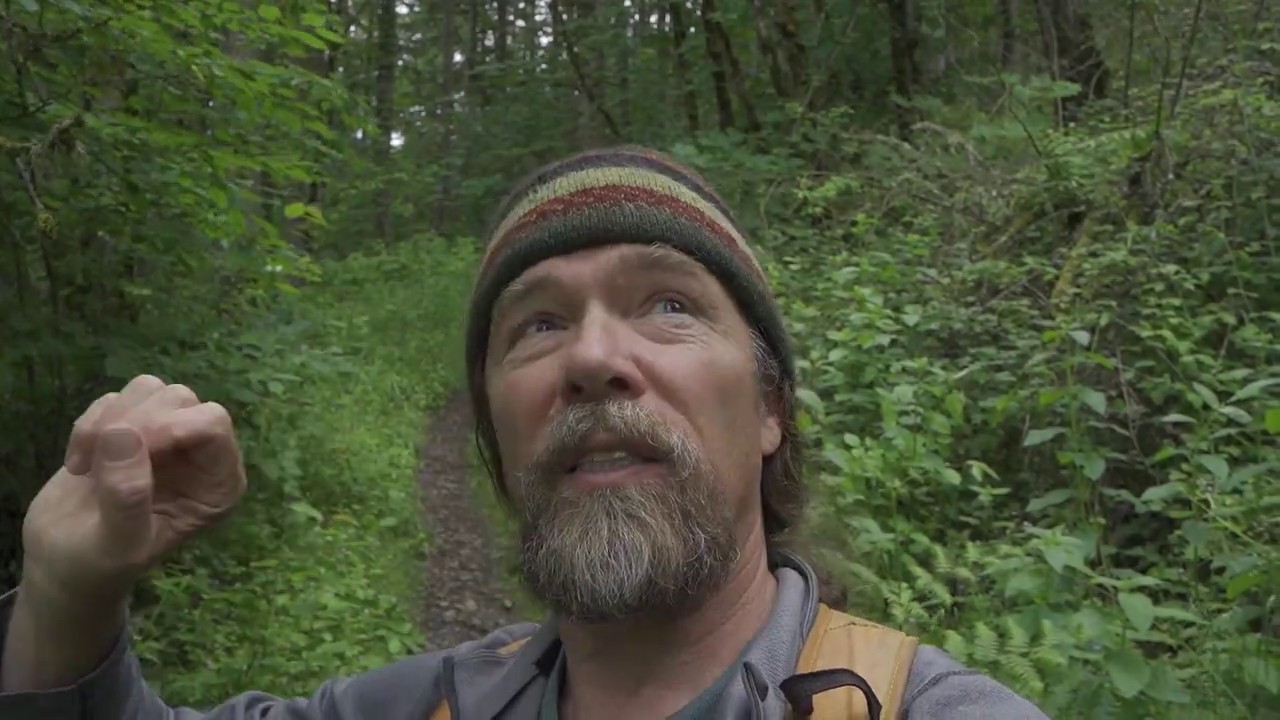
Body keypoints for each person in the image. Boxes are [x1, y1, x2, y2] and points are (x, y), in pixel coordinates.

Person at [0, 146, 1049, 719]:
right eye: (537, 324)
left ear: (770, 408)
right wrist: (68, 590)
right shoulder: (426, 707)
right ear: (499, 446)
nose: (592, 359)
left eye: (668, 305)